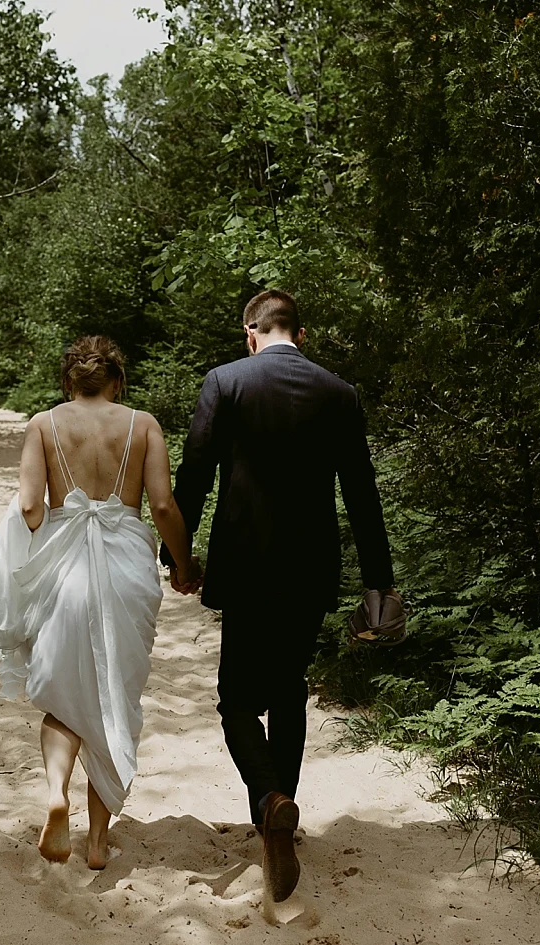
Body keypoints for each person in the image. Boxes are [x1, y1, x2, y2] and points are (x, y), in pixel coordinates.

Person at [161, 289, 401, 902]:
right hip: (311, 567)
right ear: (301, 332)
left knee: (237, 698)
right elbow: (363, 494)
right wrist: (380, 580)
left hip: (244, 564)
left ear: (250, 332)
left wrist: (177, 556)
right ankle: (283, 812)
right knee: (289, 688)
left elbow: (194, 472)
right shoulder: (338, 392)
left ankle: (269, 801)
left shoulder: (225, 382)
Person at [0, 336, 199, 870]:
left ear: (67, 382)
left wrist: (43, 529)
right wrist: (184, 563)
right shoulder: (144, 424)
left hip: (64, 568)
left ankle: (56, 793)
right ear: (118, 380)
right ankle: (99, 843)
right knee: (113, 697)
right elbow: (162, 503)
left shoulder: (43, 425)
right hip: (126, 563)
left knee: (65, 696)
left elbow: (32, 506)